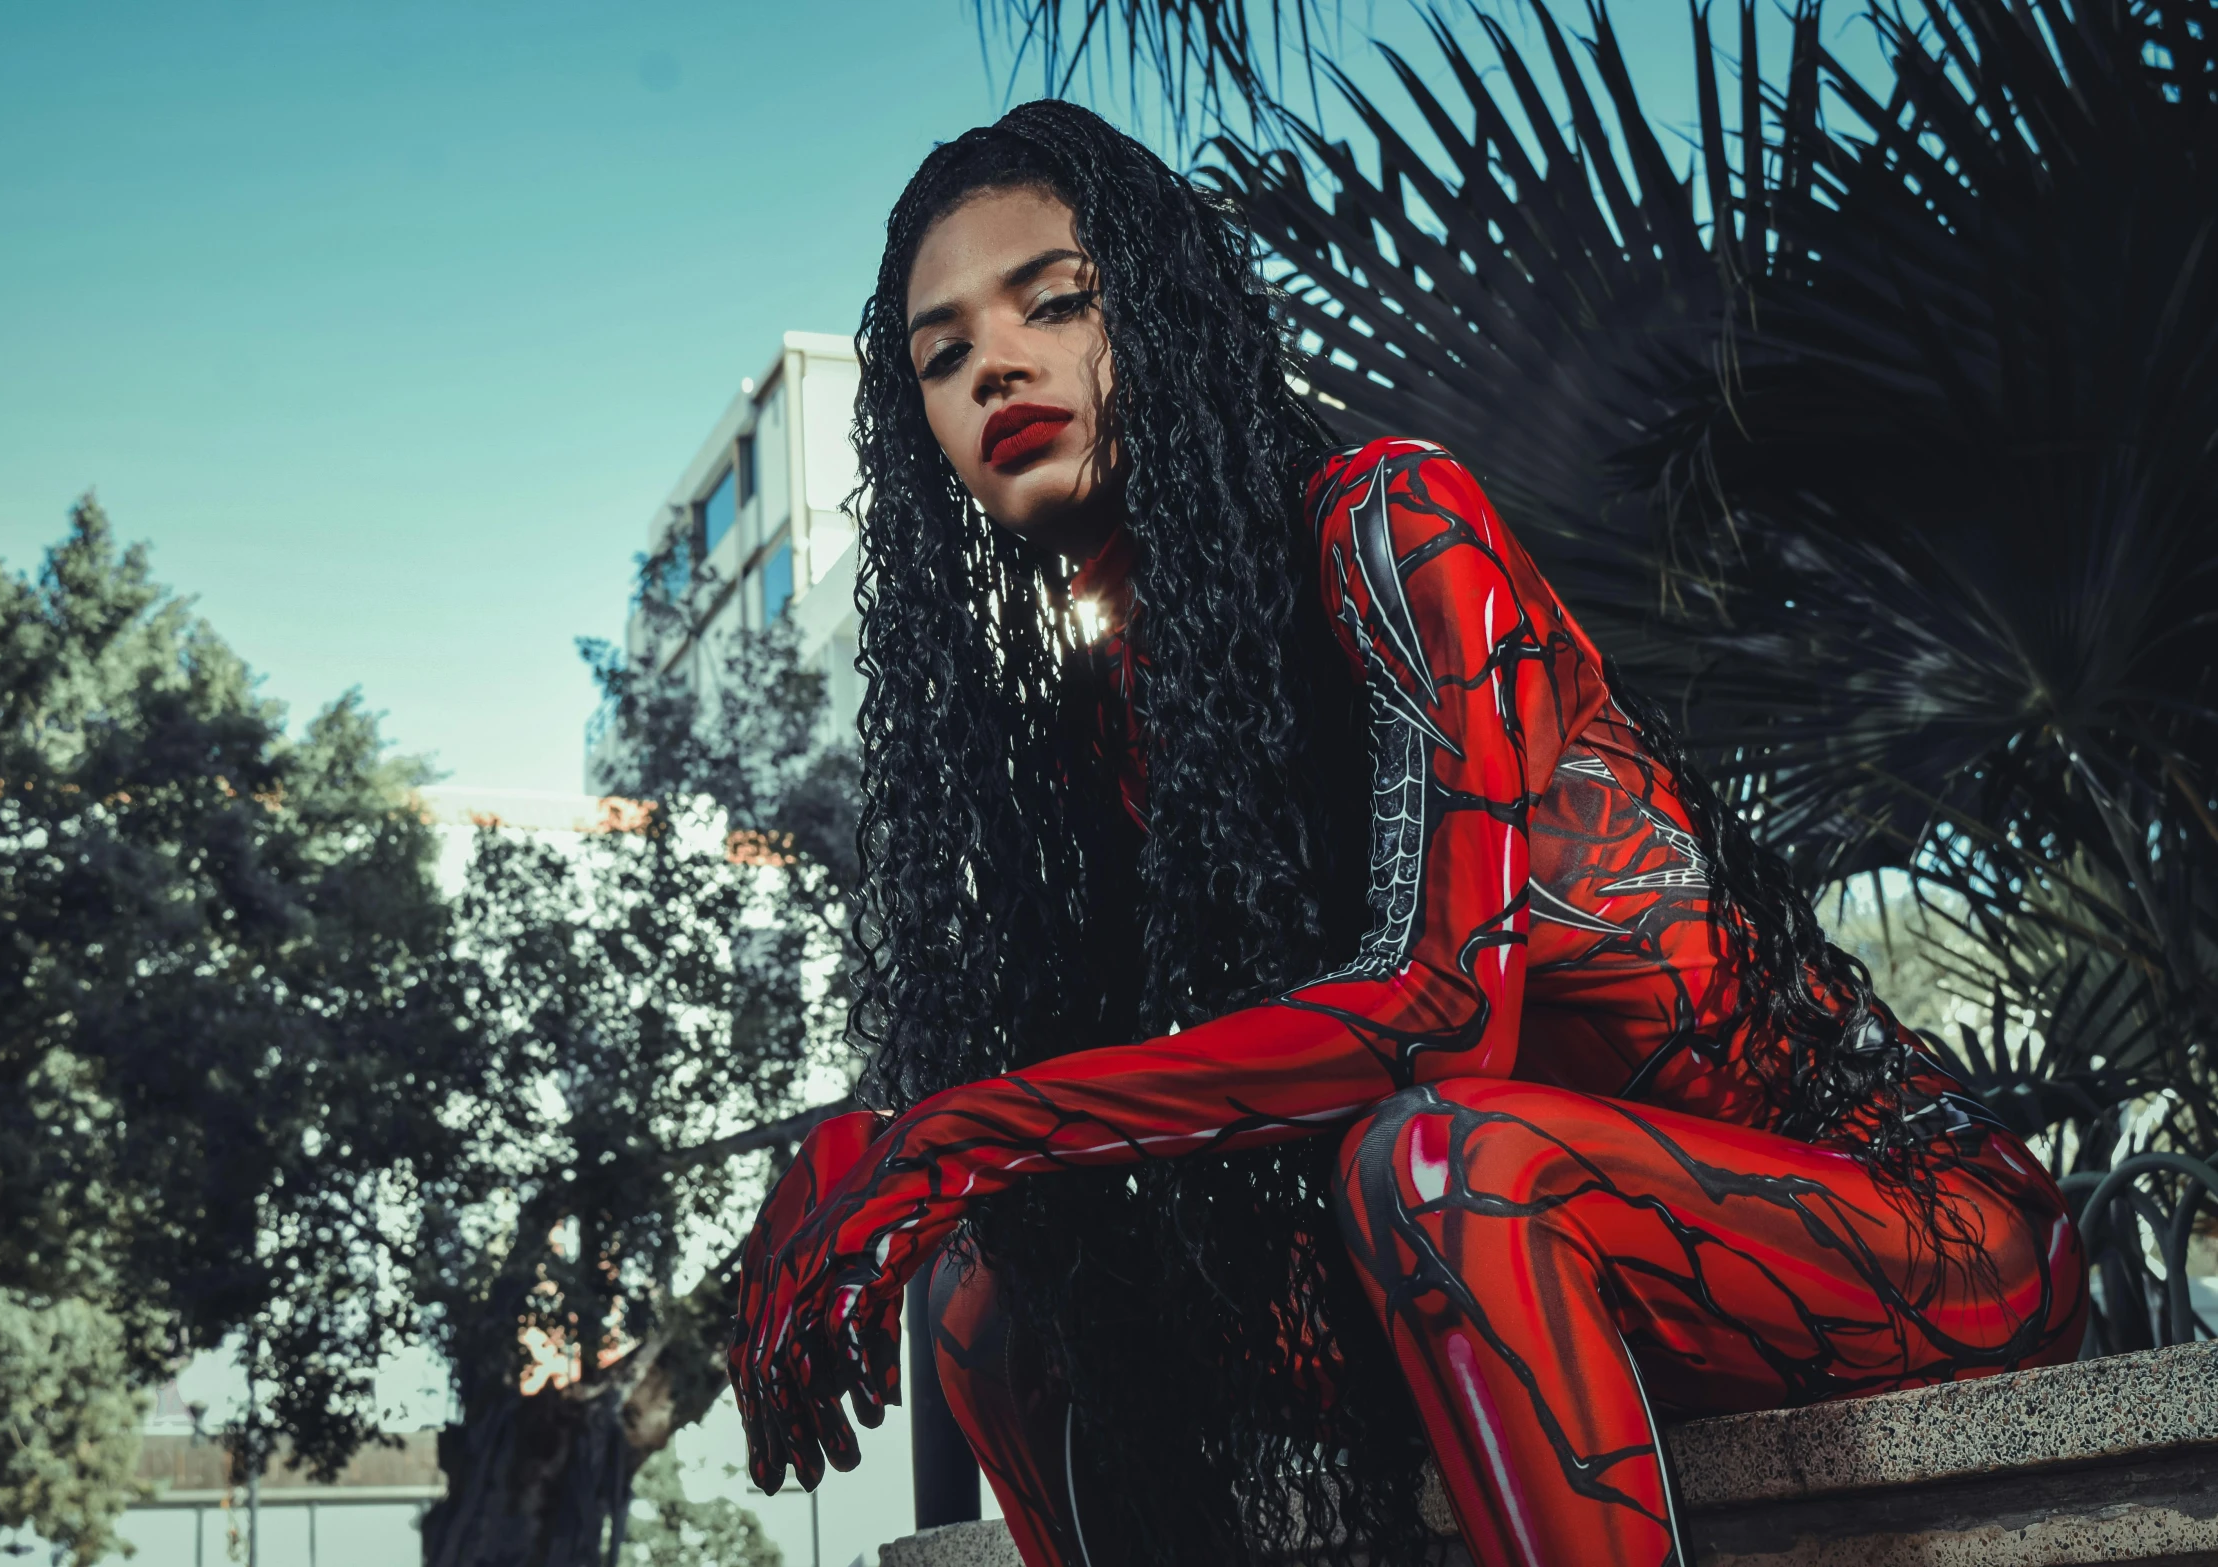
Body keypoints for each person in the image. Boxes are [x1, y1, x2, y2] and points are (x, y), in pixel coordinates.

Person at [728, 100, 2082, 1567]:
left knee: (1435, 1158)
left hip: (1900, 1233)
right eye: (940, 355)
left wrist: (958, 1129)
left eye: (1057, 301)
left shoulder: (1395, 523)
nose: (996, 362)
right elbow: (1116, 1108)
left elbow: (1439, 1022)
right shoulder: (1110, 722)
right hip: (1519, 1286)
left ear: (1167, 316)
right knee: (1007, 1284)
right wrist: (879, 1145)